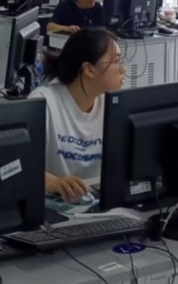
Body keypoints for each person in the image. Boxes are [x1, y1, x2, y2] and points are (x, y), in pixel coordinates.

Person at [29, 28, 125, 203]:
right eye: (116, 61)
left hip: (99, 204)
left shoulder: (113, 103)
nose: (122, 70)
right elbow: (20, 165)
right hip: (52, 204)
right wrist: (54, 182)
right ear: (89, 70)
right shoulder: (43, 102)